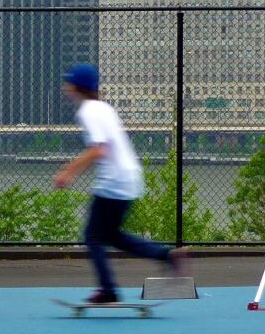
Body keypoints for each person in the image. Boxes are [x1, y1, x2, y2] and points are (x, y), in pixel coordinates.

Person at [52, 64, 187, 304]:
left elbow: (98, 149)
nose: (66, 87)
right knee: (111, 235)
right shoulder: (104, 108)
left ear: (77, 86)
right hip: (130, 177)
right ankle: (165, 255)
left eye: (69, 83)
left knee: (93, 236)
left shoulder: (88, 111)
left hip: (114, 180)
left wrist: (67, 172)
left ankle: (108, 290)